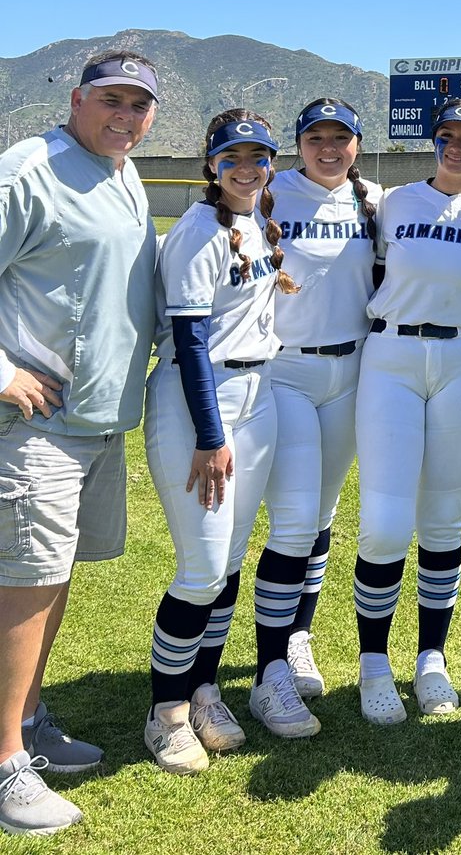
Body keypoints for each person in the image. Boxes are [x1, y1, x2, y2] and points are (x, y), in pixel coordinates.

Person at [0, 51, 159, 836]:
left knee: (52, 579)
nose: (126, 116)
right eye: (112, 100)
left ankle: (27, 721)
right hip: (35, 427)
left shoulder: (122, 172)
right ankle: (4, 766)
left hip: (99, 422)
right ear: (77, 98)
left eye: (140, 104)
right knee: (23, 587)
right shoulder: (27, 172)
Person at [143, 110, 313, 776]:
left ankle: (204, 688)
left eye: (259, 155)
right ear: (210, 162)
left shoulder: (254, 219)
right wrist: (210, 438)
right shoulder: (195, 229)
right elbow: (187, 336)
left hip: (257, 395)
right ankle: (166, 712)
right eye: (232, 155)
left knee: (231, 561)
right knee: (201, 569)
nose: (247, 166)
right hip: (200, 399)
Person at [352, 99, 461, 723]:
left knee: (443, 520)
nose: (456, 148)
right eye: (447, 136)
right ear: (433, 140)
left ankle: (431, 659)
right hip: (392, 357)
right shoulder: (393, 202)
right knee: (385, 522)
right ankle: (373, 665)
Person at [260, 99, 380, 699]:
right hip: (286, 371)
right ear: (298, 143)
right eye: (315, 139)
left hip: (352, 372)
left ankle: (297, 636)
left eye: (341, 137)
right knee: (294, 517)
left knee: (324, 513)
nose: (328, 149)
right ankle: (271, 659)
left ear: (357, 143)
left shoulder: (374, 201)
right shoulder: (271, 192)